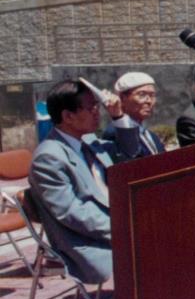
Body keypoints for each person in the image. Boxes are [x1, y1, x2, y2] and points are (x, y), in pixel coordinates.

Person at [28, 80, 119, 284]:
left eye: (97, 105)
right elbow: (71, 212)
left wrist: (119, 117)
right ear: (68, 116)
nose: (98, 111)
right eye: (90, 107)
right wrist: (121, 228)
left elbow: (129, 153)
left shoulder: (88, 141)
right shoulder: (49, 158)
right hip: (87, 243)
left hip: (112, 225)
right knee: (159, 243)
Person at [101, 71, 166, 160]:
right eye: (142, 94)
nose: (149, 101)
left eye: (152, 95)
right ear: (122, 98)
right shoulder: (115, 133)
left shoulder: (152, 137)